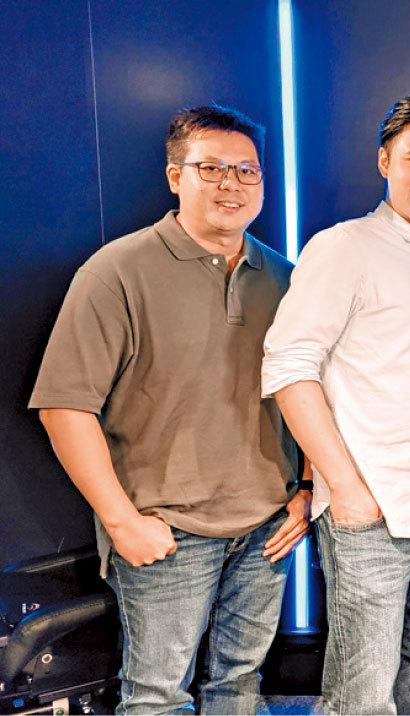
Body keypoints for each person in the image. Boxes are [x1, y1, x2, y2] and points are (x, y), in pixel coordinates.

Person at [29, 105, 310, 714]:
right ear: (175, 175)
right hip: (166, 532)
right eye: (212, 168)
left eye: (247, 170)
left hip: (266, 528)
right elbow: (63, 407)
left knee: (240, 685)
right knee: (157, 697)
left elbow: (315, 392)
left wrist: (307, 489)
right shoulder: (116, 272)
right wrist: (122, 522)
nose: (231, 183)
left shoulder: (286, 280)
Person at [262, 92, 410, 715]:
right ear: (385, 161)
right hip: (372, 510)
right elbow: (289, 368)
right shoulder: (344, 248)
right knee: (362, 693)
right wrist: (346, 490)